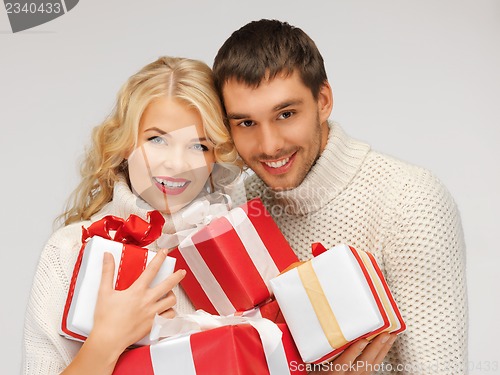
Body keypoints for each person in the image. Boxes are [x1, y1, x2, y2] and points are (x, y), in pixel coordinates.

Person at [213, 19, 467, 374]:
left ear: (323, 101)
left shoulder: (410, 201)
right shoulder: (241, 205)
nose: (269, 145)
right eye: (246, 123)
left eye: (286, 114)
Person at [22, 56, 241, 374]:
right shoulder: (69, 249)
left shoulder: (233, 246)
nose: (176, 164)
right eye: (157, 139)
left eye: (199, 146)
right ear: (126, 143)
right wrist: (108, 340)